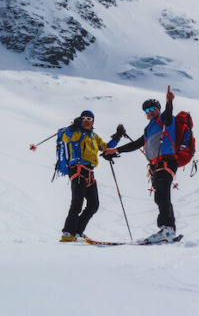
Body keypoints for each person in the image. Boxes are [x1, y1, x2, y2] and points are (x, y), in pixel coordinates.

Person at [104, 86, 178, 243]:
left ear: (158, 109)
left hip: (166, 162)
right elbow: (137, 144)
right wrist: (116, 150)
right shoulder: (148, 128)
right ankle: (169, 231)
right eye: (147, 110)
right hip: (157, 166)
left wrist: (169, 102)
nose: (150, 112)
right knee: (161, 197)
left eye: (153, 108)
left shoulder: (164, 120)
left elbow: (168, 113)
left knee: (162, 196)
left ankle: (166, 229)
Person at [58, 110, 121, 242]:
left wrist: (117, 137)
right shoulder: (76, 132)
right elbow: (65, 137)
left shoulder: (94, 136)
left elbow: (105, 147)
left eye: (89, 118)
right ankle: (68, 233)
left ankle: (77, 232)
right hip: (78, 170)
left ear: (93, 122)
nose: (86, 120)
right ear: (80, 120)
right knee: (77, 203)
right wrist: (72, 127)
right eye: (84, 118)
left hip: (89, 173)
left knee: (93, 205)